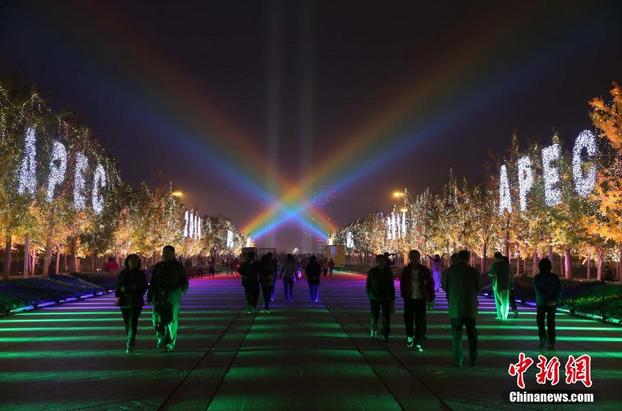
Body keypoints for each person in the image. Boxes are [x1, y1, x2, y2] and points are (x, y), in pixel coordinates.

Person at [442, 250, 481, 366]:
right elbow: (479, 287)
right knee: (472, 334)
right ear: (468, 258)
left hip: (455, 307)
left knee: (456, 335)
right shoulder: (474, 272)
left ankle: (458, 359)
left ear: (458, 258)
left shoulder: (449, 271)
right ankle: (473, 358)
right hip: (470, 307)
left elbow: (444, 287)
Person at [147, 245, 189, 352]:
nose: (165, 254)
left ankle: (170, 342)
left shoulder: (178, 266)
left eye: (167, 252)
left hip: (172, 297)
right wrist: (150, 294)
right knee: (156, 319)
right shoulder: (159, 266)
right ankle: (160, 336)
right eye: (164, 252)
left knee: (172, 321)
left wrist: (183, 288)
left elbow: (184, 279)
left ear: (172, 253)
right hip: (158, 296)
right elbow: (153, 281)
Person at [400, 250, 435, 351]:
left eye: (416, 257)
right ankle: (410, 336)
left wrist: (431, 297)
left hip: (421, 299)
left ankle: (418, 341)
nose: (414, 259)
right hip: (409, 299)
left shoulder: (424, 270)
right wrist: (404, 294)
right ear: (410, 258)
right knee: (408, 320)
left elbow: (430, 284)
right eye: (412, 257)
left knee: (420, 321)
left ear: (419, 258)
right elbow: (403, 284)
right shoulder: (406, 270)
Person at [115, 254, 148, 353]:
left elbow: (144, 287)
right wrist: (120, 292)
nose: (133, 262)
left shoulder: (140, 274)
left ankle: (130, 343)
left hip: (136, 301)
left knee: (133, 322)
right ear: (127, 261)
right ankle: (130, 340)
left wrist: (136, 288)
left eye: (136, 260)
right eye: (131, 260)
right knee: (127, 322)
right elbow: (118, 285)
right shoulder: (123, 273)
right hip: (124, 300)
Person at [534, 258, 562, 350]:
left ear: (540, 267)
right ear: (550, 267)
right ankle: (551, 341)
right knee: (551, 322)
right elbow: (559, 289)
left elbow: (538, 290)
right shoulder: (555, 277)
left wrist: (545, 299)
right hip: (552, 303)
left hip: (541, 303)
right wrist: (554, 300)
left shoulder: (537, 278)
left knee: (540, 321)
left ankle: (542, 338)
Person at [367, 254, 395, 342]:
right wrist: (370, 294)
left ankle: (385, 334)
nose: (381, 262)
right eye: (379, 261)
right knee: (374, 315)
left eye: (382, 261)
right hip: (374, 297)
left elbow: (391, 285)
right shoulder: (372, 271)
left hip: (386, 297)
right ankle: (373, 330)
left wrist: (392, 298)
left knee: (386, 317)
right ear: (377, 261)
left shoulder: (388, 272)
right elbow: (368, 284)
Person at [488, 252, 511, 320]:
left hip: (497, 285)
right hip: (506, 285)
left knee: (498, 301)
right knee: (505, 301)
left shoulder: (495, 265)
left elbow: (491, 274)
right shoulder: (507, 265)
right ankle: (505, 315)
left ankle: (499, 315)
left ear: (495, 258)